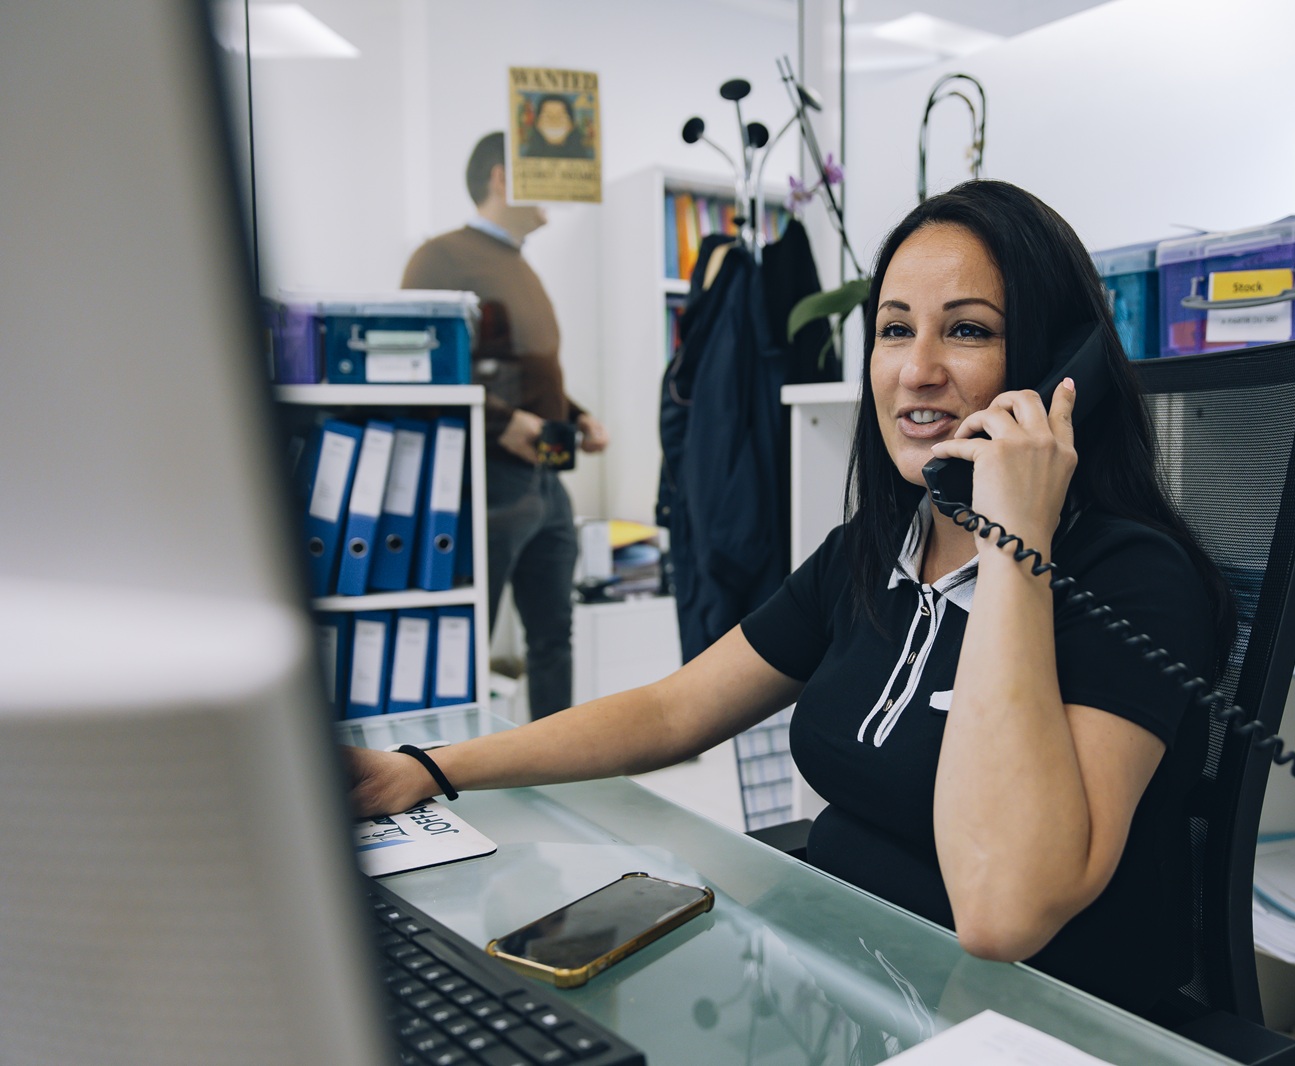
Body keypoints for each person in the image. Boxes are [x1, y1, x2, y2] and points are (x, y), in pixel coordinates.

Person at [358, 180, 1231, 1017]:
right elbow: (672, 711)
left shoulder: (1135, 582)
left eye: (966, 330)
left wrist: (1016, 546)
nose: (916, 370)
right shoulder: (875, 550)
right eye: (894, 331)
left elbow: (1003, 913)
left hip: (1033, 1024)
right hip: (850, 979)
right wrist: (431, 768)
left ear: (1054, 366)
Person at [401, 132, 608, 717]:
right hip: (487, 481)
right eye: (537, 171)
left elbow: (523, 371)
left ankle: (553, 764)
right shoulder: (440, 257)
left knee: (552, 641)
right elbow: (419, 367)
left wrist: (576, 416)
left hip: (545, 481)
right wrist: (500, 424)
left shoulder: (518, 265)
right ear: (501, 178)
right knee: (467, 642)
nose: (554, 186)